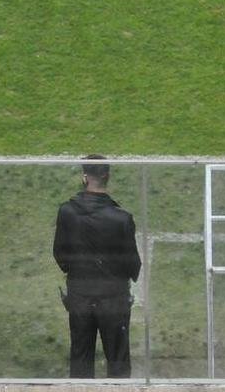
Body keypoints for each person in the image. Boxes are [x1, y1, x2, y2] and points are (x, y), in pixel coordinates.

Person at [53, 156, 141, 379]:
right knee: (118, 360)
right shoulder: (122, 218)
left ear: (84, 177)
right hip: (113, 299)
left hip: (80, 296)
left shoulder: (66, 211)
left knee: (80, 358)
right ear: (107, 176)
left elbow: (60, 255)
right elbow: (132, 264)